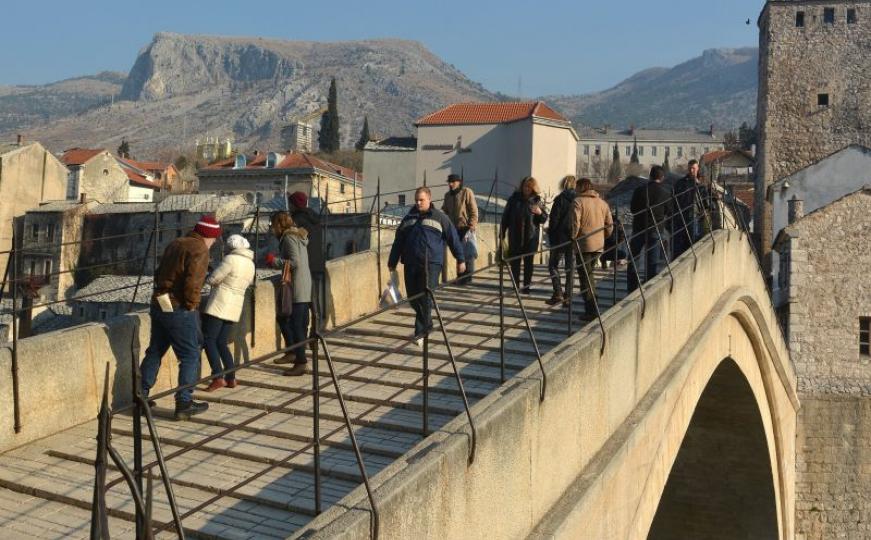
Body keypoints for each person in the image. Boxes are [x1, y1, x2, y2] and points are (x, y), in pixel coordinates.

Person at [139, 215, 221, 421]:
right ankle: (184, 402)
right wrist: (192, 306)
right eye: (214, 239)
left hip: (160, 301)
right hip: (178, 306)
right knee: (190, 354)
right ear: (209, 236)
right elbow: (193, 283)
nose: (214, 243)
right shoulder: (199, 249)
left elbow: (159, 273)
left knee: (155, 351)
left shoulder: (176, 243)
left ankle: (140, 397)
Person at [388, 186, 465, 347]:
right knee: (413, 298)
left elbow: (453, 238)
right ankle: (428, 324)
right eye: (416, 200)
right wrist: (392, 262)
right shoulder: (408, 218)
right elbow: (398, 241)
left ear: (429, 199)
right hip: (410, 263)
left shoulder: (440, 218)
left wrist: (460, 259)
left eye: (421, 200)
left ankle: (420, 332)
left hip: (431, 264)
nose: (418, 202)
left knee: (425, 296)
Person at [201, 234, 255, 392]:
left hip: (220, 304)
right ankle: (231, 377)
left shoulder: (230, 260)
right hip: (234, 306)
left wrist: (208, 276)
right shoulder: (250, 264)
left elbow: (213, 279)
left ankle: (218, 376)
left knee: (209, 339)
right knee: (221, 342)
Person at [266, 212, 312, 376]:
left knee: (296, 325)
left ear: (279, 225)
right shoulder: (296, 235)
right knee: (284, 318)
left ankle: (301, 362)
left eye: (272, 225)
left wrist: (274, 261)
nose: (272, 230)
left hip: (297, 288)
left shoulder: (289, 237)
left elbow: (295, 262)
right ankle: (292, 351)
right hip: (303, 285)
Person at [569, 178, 614, 318]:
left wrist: (573, 237)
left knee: (585, 277)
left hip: (583, 244)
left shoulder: (578, 202)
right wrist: (603, 237)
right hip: (598, 244)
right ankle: (592, 307)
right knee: (589, 274)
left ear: (580, 187)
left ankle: (592, 309)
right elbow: (610, 225)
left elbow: (575, 223)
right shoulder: (603, 203)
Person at [627, 165, 672, 292]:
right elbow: (669, 211)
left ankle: (631, 288)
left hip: (639, 228)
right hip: (655, 229)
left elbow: (633, 210)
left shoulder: (639, 190)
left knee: (634, 259)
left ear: (650, 176)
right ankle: (648, 289)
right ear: (662, 178)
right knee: (652, 262)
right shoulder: (665, 192)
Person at [501, 176, 548, 294]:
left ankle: (526, 287)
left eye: (529, 187)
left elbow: (544, 219)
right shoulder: (513, 199)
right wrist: (502, 233)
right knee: (515, 264)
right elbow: (505, 217)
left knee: (528, 264)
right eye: (525, 186)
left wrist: (539, 213)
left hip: (530, 237)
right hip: (515, 236)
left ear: (533, 188)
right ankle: (515, 286)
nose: (526, 189)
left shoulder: (537, 201)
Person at [545, 175, 577, 305]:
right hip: (573, 238)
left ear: (563, 185)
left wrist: (551, 233)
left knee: (553, 265)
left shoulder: (560, 199)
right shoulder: (579, 199)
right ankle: (568, 297)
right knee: (570, 268)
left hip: (559, 238)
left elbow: (554, 219)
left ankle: (558, 292)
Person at [441, 173, 478, 284]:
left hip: (466, 227)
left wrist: (472, 225)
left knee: (468, 253)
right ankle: (460, 277)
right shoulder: (448, 195)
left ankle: (468, 278)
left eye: (453, 182)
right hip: (453, 228)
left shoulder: (467, 192)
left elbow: (474, 210)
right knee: (458, 253)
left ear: (459, 182)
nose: (451, 184)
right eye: (449, 182)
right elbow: (445, 211)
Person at [672, 159, 705, 258]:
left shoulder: (701, 184)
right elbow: (674, 198)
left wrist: (699, 184)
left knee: (692, 243)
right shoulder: (680, 183)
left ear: (697, 169)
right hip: (680, 216)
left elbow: (705, 200)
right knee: (678, 245)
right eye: (690, 168)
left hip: (694, 216)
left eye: (693, 168)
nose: (691, 171)